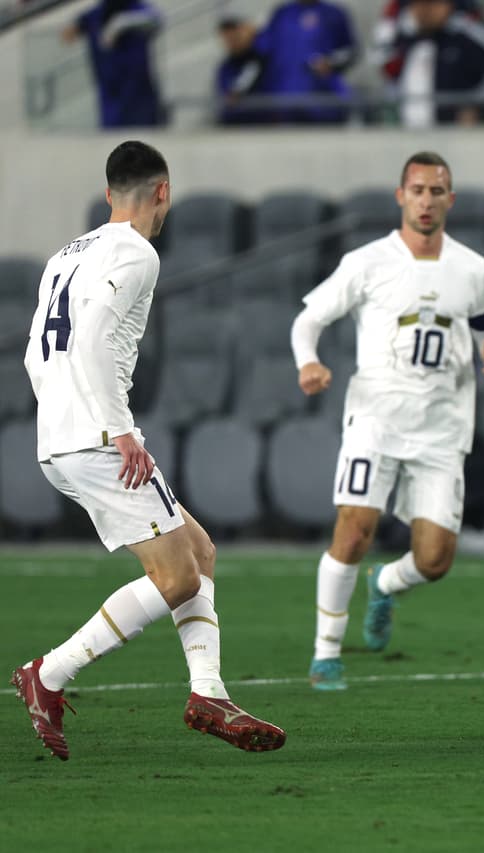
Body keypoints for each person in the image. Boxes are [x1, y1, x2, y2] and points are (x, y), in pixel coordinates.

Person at [12, 141, 285, 760]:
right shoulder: (138, 252)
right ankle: (48, 675)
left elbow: (37, 353)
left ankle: (208, 692)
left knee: (198, 551)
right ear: (163, 191)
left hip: (60, 435)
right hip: (100, 436)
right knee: (178, 573)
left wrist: (67, 417)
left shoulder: (65, 255)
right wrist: (116, 427)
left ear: (109, 193)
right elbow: (96, 340)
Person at [291, 151, 484, 692]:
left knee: (434, 561)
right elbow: (309, 319)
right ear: (401, 196)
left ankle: (386, 584)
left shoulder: (473, 269)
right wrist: (309, 362)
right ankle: (326, 655)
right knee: (355, 528)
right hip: (376, 419)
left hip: (441, 428)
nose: (427, 200)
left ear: (450, 200)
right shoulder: (368, 262)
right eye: (418, 190)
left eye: (437, 191)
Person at [378, 0, 484, 127]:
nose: (426, 11)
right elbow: (385, 66)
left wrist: (478, 103)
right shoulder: (404, 38)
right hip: (409, 132)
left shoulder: (465, 35)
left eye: (433, 3)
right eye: (418, 4)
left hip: (454, 133)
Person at [61, 0, 164, 128]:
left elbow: (156, 20)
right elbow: (68, 34)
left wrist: (120, 24)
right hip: (110, 95)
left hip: (138, 95)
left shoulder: (136, 8)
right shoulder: (96, 14)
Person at [255, 0, 357, 124]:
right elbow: (263, 47)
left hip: (323, 101)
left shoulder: (333, 13)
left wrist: (330, 63)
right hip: (284, 100)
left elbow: (349, 51)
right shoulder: (282, 13)